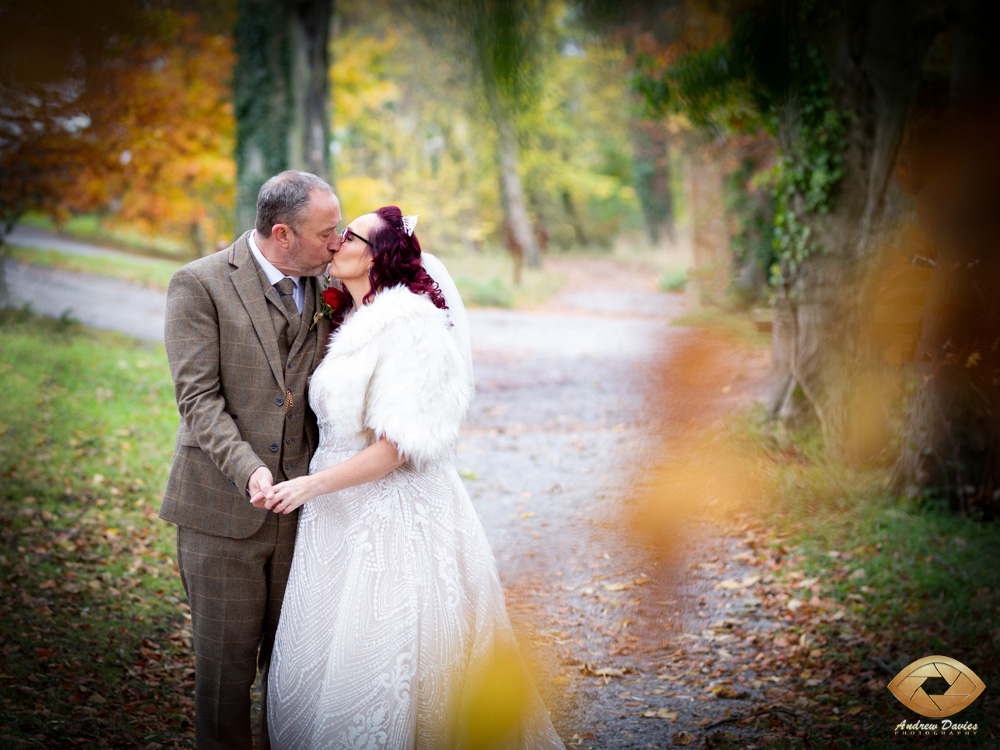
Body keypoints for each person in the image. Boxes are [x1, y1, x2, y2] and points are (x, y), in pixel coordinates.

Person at [251, 206, 565, 749]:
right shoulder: (352, 319)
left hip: (389, 518)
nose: (334, 242)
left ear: (377, 256)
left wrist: (308, 485)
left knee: (380, 654)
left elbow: (397, 448)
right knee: (324, 657)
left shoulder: (410, 324)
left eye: (348, 236)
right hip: (337, 517)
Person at [161, 170, 341, 749]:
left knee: (291, 679)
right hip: (220, 515)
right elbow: (198, 399)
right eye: (327, 233)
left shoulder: (328, 288)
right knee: (225, 680)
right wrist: (249, 469)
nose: (337, 244)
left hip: (304, 519)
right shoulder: (199, 284)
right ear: (283, 233)